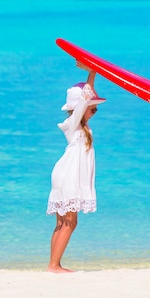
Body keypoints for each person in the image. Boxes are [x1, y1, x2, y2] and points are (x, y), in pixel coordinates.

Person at [46, 63, 105, 273]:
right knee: (69, 222)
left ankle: (53, 265)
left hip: (65, 173)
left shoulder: (81, 126)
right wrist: (93, 72)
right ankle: (54, 265)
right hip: (67, 175)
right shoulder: (74, 123)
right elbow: (84, 99)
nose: (94, 112)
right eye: (93, 108)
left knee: (63, 222)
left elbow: (85, 101)